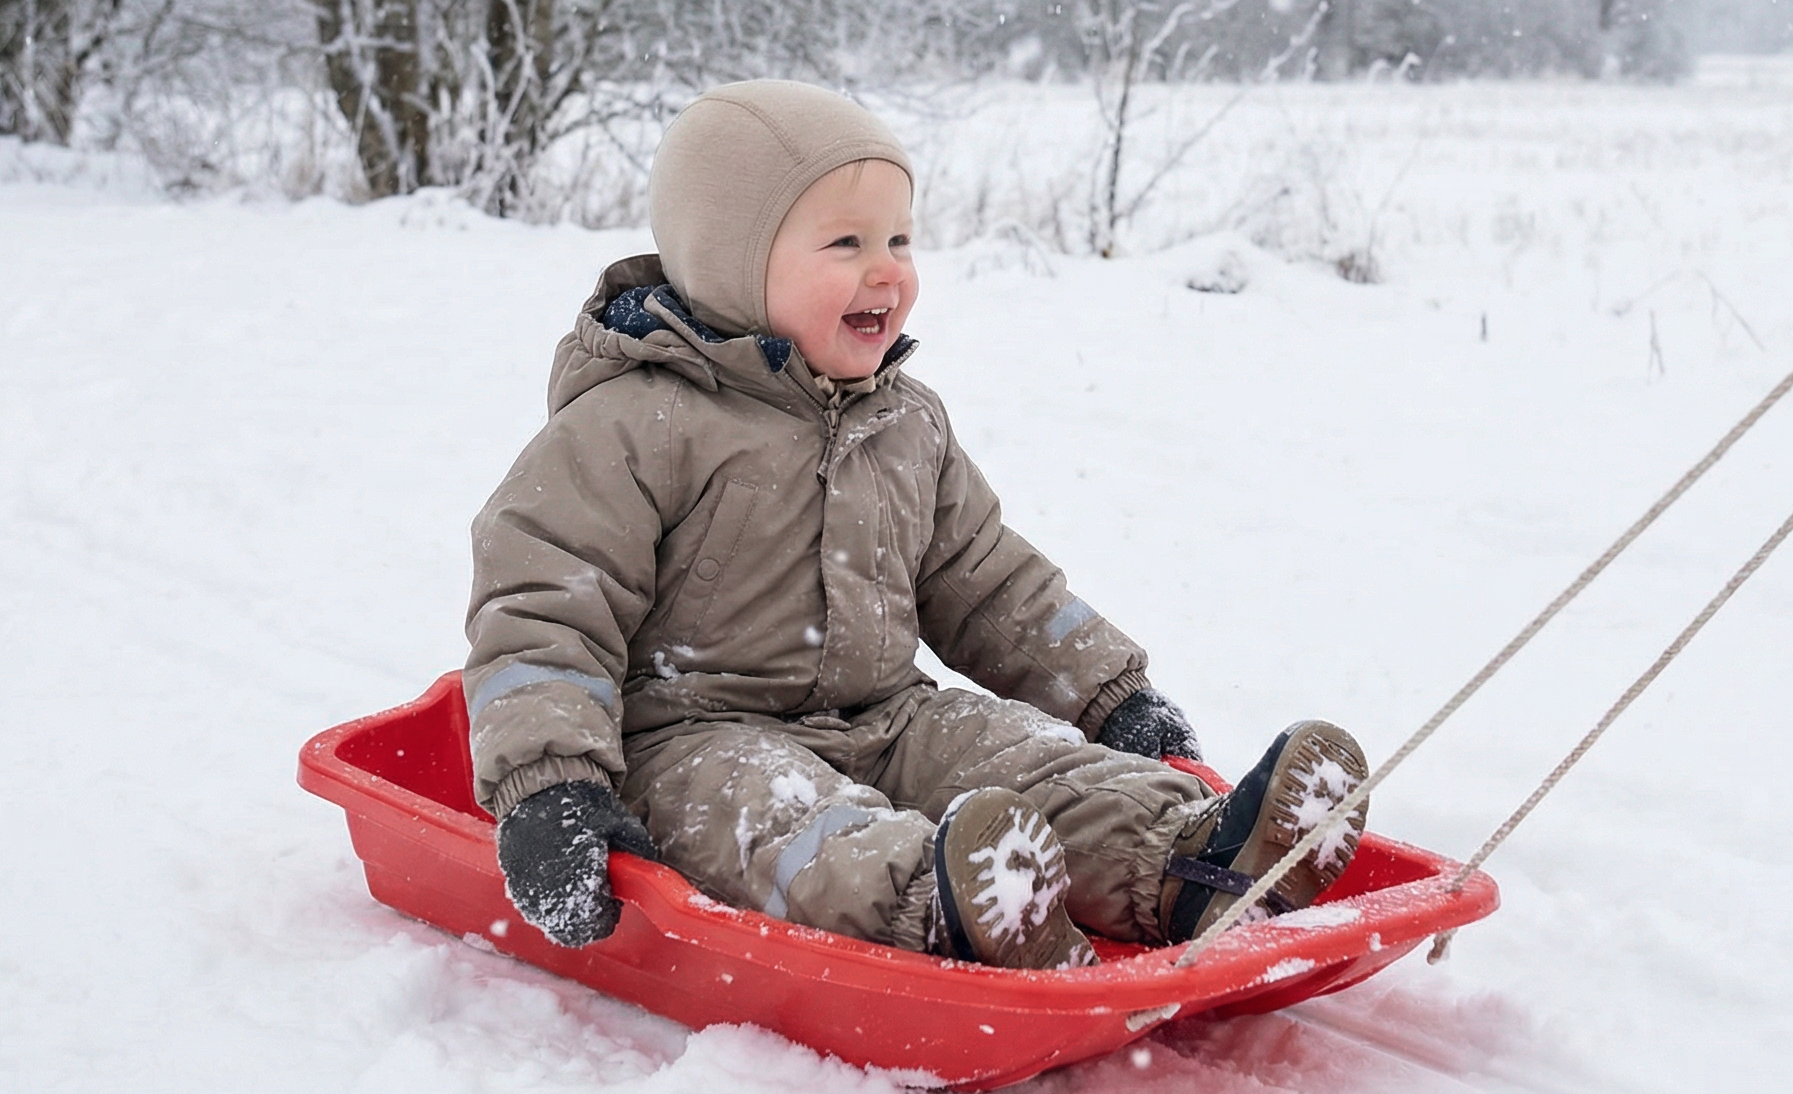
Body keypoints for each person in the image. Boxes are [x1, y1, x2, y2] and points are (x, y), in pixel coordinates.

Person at [464, 79, 1370, 970]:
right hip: (689, 740)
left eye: (900, 238)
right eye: (847, 242)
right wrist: (552, 789)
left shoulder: (903, 422)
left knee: (1013, 760)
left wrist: (1109, 695)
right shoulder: (635, 424)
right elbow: (544, 608)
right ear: (733, 264)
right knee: (785, 820)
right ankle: (947, 908)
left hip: (887, 717)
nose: (888, 270)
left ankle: (1188, 862)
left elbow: (989, 581)